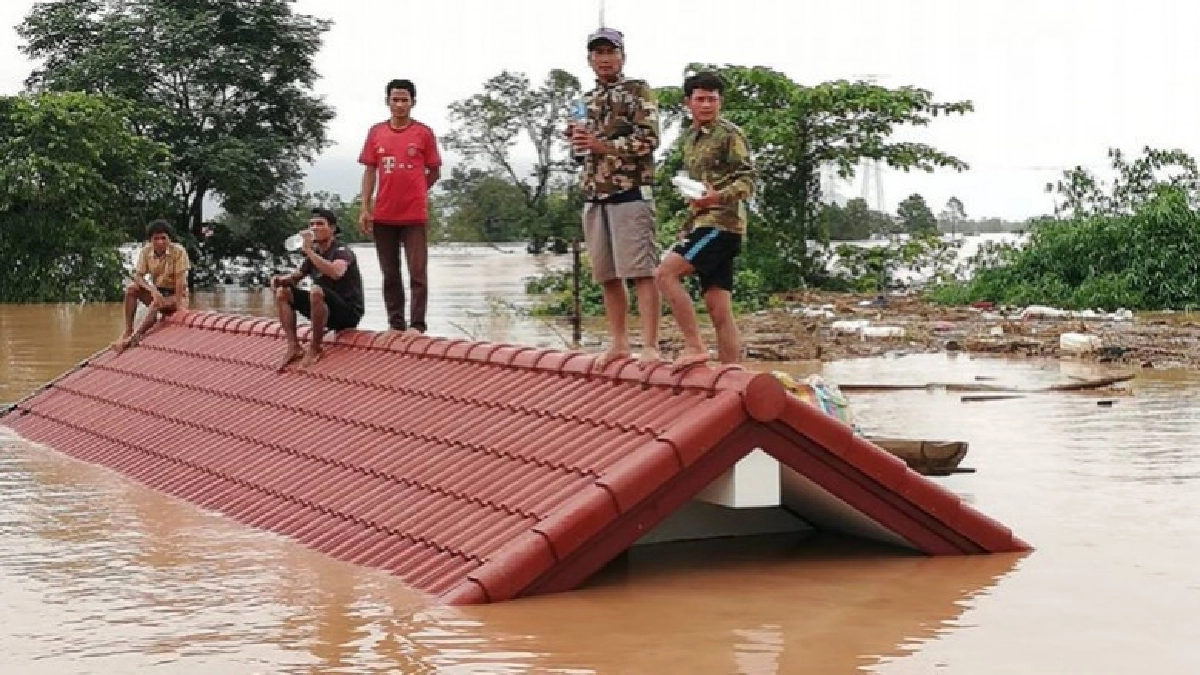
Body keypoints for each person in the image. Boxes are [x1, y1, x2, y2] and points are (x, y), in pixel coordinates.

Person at [569, 27, 662, 368]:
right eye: (598, 53)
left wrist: (603, 145)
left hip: (631, 192)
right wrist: (578, 145)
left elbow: (649, 140)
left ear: (622, 56)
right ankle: (619, 343)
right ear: (590, 59)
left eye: (611, 51)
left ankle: (650, 345)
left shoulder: (638, 91)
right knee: (607, 275)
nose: (604, 58)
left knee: (641, 271)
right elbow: (578, 154)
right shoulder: (583, 101)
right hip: (595, 195)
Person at [654, 71, 757, 368]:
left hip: (722, 225)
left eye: (712, 99)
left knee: (665, 274)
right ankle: (731, 373)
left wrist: (716, 198)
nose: (707, 105)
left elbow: (748, 180)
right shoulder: (690, 140)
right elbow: (702, 187)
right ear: (689, 103)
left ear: (720, 101)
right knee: (718, 307)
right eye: (701, 99)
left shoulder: (729, 134)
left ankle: (694, 346)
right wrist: (694, 210)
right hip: (703, 222)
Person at [357, 78, 442, 334]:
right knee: (390, 274)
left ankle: (417, 325)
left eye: (405, 99)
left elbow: (435, 171)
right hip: (383, 214)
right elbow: (370, 171)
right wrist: (365, 207)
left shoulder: (423, 133)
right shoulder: (376, 132)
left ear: (413, 103)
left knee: (417, 272)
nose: (400, 104)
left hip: (414, 215)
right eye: (395, 99)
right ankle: (395, 324)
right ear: (387, 102)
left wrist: (417, 190)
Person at [271, 208, 365, 369]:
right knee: (283, 292)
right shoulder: (314, 255)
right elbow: (296, 277)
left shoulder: (342, 251)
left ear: (332, 229)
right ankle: (294, 347)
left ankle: (316, 348)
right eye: (312, 224)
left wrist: (308, 251)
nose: (314, 228)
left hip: (347, 312)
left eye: (320, 224)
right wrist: (281, 280)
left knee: (316, 290)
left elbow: (336, 272)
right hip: (324, 308)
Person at [112, 220, 190, 352]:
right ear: (150, 240)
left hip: (176, 295)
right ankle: (128, 329)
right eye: (156, 239)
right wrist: (152, 290)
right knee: (131, 289)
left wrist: (178, 305)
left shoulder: (178, 252)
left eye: (163, 238)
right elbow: (138, 276)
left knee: (156, 304)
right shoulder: (146, 251)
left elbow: (180, 282)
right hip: (158, 292)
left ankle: (134, 337)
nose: (160, 242)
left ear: (169, 239)